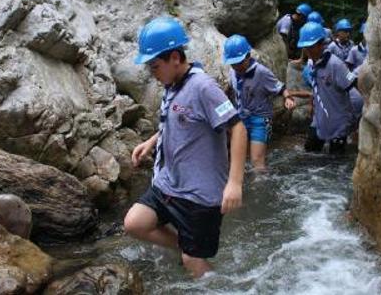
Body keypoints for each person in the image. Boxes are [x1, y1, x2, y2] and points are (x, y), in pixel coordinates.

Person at [123, 17, 248, 278]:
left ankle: (205, 271)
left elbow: (238, 128)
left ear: (176, 58)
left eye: (155, 66)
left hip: (199, 197)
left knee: (193, 262)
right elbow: (179, 121)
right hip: (169, 184)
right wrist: (151, 141)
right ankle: (187, 247)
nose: (152, 74)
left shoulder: (204, 87)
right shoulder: (172, 84)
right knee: (135, 223)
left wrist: (235, 182)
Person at [223, 34, 296, 171]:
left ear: (248, 56)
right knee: (239, 159)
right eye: (233, 63)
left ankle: (261, 187)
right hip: (241, 118)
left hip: (260, 119)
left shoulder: (261, 72)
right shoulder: (233, 71)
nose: (236, 66)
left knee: (257, 161)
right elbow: (231, 90)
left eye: (239, 62)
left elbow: (281, 87)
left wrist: (288, 98)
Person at [296, 21, 357, 155]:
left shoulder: (336, 65)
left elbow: (354, 87)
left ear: (321, 44)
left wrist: (354, 120)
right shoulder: (312, 64)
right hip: (319, 121)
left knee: (335, 162)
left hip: (338, 123)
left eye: (310, 47)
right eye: (305, 47)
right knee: (309, 155)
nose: (307, 50)